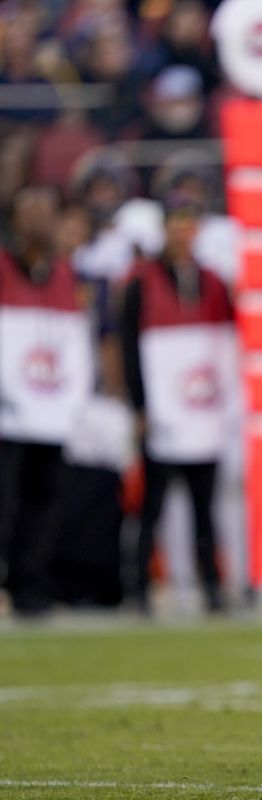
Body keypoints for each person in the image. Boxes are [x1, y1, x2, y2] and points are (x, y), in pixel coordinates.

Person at [120, 196, 235, 614]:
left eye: (189, 226)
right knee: (152, 503)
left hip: (201, 409)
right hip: (163, 410)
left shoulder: (212, 281)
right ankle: (137, 588)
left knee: (204, 505)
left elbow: (226, 343)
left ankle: (212, 586)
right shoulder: (141, 281)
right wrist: (140, 407)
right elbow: (130, 349)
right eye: (175, 226)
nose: (182, 234)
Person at [0, 186, 92, 615]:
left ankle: (30, 587)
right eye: (29, 211)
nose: (38, 220)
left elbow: (76, 343)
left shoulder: (63, 275)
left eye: (45, 212)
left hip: (51, 410)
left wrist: (72, 400)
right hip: (8, 414)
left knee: (44, 504)